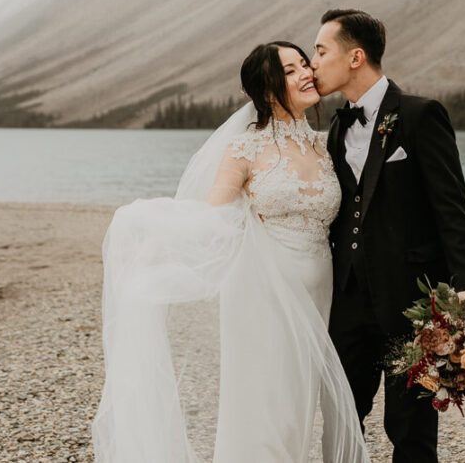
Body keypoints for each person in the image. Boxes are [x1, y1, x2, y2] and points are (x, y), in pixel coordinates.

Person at [92, 41, 369, 463]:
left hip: (318, 291)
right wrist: (153, 246)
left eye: (304, 64)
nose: (305, 73)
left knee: (297, 407)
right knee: (264, 403)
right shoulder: (244, 149)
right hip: (260, 289)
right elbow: (211, 217)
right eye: (290, 70)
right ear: (267, 89)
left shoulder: (324, 145)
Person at [311, 9, 465, 463]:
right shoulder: (338, 126)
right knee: (341, 418)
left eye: (321, 51)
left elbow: (451, 206)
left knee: (410, 430)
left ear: (355, 57)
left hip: (410, 302)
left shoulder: (419, 115)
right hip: (348, 301)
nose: (314, 63)